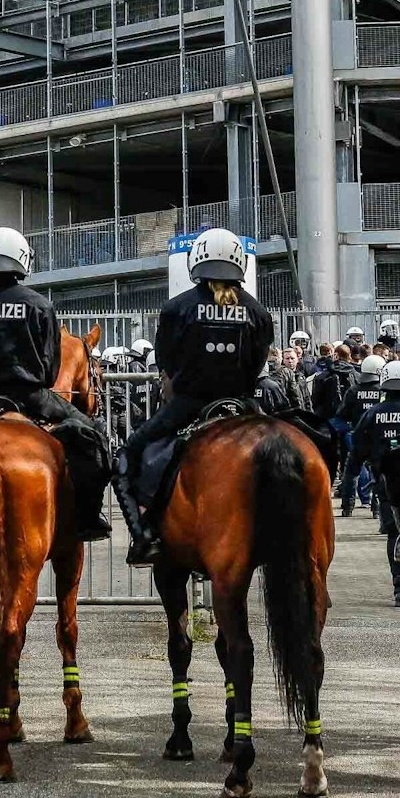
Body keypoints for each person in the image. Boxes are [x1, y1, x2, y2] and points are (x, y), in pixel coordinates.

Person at [0, 227, 112, 539]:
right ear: (21, 263)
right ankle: (89, 515)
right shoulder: (39, 305)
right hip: (31, 396)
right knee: (94, 436)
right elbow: (50, 366)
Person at [114, 228, 275, 565]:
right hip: (242, 406)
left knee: (127, 455)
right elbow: (257, 364)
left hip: (189, 405)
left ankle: (144, 537)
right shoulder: (258, 312)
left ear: (196, 261)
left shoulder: (177, 308)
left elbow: (167, 361)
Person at [353, 360, 400, 606]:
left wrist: (349, 476)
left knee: (395, 533)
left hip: (386, 484)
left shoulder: (371, 414)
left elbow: (357, 448)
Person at [333, 354, 388, 515]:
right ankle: (376, 508)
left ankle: (347, 507)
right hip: (379, 438)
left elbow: (342, 414)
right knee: (378, 473)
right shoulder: (382, 391)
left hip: (358, 436)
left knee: (351, 472)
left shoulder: (353, 390)